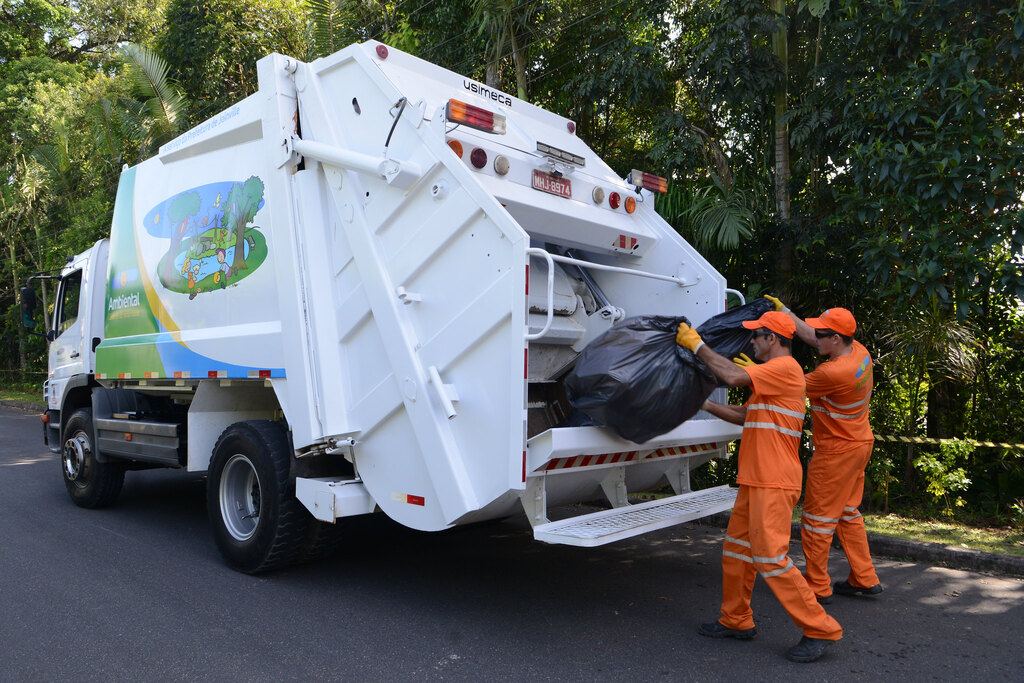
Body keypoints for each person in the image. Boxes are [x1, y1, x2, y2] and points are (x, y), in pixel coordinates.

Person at [676, 311, 843, 663]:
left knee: (770, 558)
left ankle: (819, 627)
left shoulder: (787, 369)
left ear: (773, 339)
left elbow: (734, 375)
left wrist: (697, 345)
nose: (751, 341)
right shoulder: (772, 377)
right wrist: (705, 404)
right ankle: (736, 619)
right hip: (756, 479)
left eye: (757, 335)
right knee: (736, 550)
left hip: (774, 480)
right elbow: (746, 414)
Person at [765, 297, 883, 602]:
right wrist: (786, 313)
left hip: (836, 452)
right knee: (847, 512)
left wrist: (753, 372)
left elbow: (787, 386)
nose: (814, 336)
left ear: (835, 338)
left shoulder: (832, 374)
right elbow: (810, 335)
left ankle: (817, 585)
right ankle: (865, 578)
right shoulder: (859, 352)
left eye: (821, 334)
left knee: (817, 519)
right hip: (859, 444)